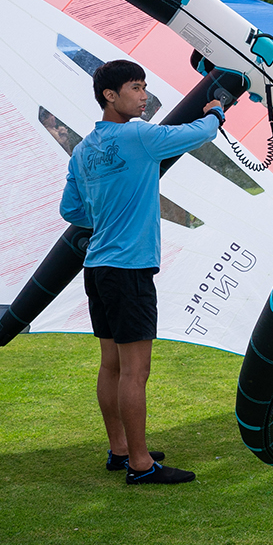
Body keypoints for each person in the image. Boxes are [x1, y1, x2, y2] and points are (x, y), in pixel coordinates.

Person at [59, 59, 224, 484]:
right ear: (110, 96)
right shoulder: (138, 135)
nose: (144, 95)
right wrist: (217, 110)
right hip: (128, 270)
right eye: (135, 87)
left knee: (111, 366)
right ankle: (140, 464)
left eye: (144, 86)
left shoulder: (83, 150)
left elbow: (71, 210)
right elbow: (198, 134)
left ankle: (121, 450)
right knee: (136, 371)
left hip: (97, 268)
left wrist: (108, 211)